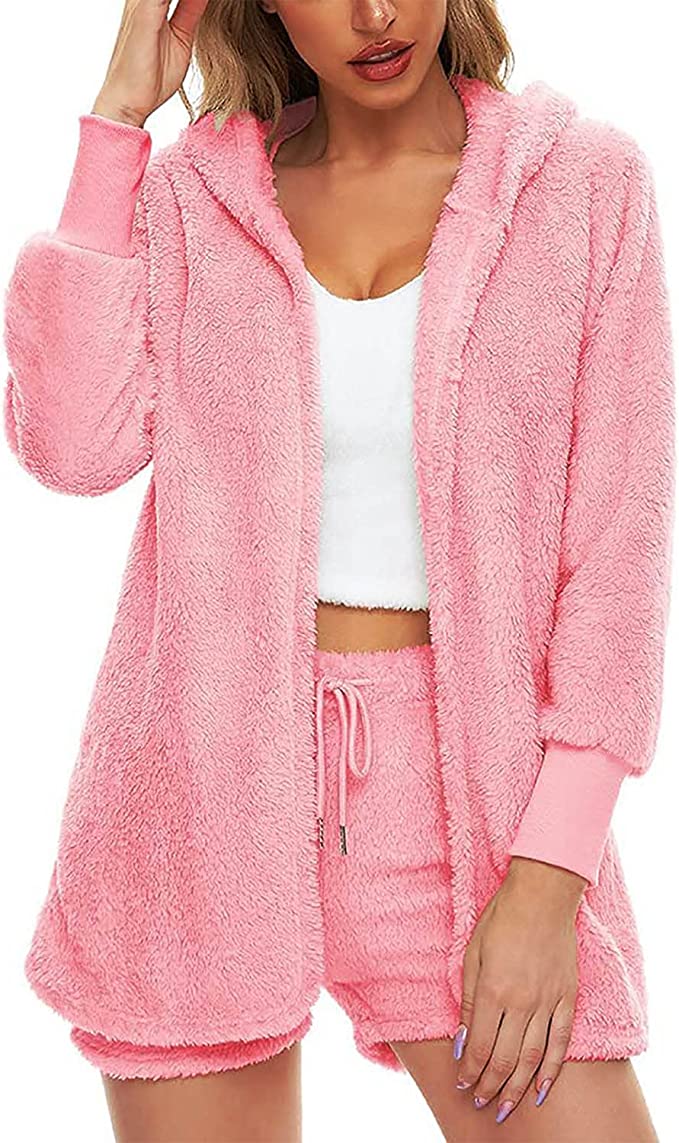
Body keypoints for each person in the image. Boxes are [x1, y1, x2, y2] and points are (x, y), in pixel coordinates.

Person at [3, 1, 675, 1140]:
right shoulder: (193, 198)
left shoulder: (579, 187)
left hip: (467, 810)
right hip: (203, 798)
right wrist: (118, 120)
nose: (375, 14)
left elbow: (618, 564)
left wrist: (549, 877)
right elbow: (73, 448)